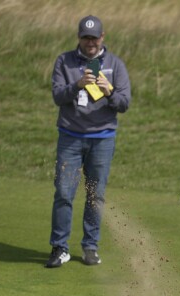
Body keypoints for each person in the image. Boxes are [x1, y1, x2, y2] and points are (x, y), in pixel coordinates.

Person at [46, 15, 131, 268]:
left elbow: (124, 103)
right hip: (70, 137)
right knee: (63, 193)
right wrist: (77, 85)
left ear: (102, 37)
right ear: (79, 38)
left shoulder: (115, 65)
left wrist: (110, 91)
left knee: (96, 195)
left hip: (102, 139)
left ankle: (90, 246)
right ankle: (60, 247)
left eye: (94, 37)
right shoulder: (65, 61)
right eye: (86, 37)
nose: (90, 42)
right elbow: (57, 96)